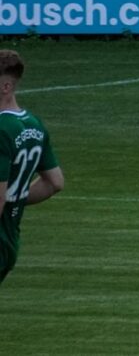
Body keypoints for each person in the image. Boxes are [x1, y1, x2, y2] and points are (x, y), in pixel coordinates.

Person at [0, 49, 65, 287]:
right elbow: (55, 182)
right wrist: (15, 199)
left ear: (6, 87)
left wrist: (6, 198)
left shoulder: (1, 129)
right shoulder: (34, 125)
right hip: (9, 242)